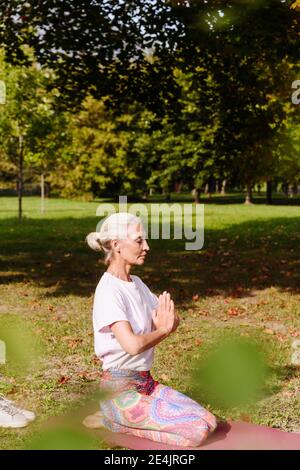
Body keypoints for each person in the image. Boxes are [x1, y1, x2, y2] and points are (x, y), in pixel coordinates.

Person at [85, 212, 217, 447]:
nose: (146, 246)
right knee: (196, 431)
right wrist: (164, 330)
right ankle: (112, 419)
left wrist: (168, 323)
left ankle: (122, 420)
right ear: (116, 245)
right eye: (139, 240)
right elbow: (132, 345)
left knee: (209, 421)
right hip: (118, 392)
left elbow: (170, 318)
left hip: (146, 384)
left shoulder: (137, 284)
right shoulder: (109, 292)